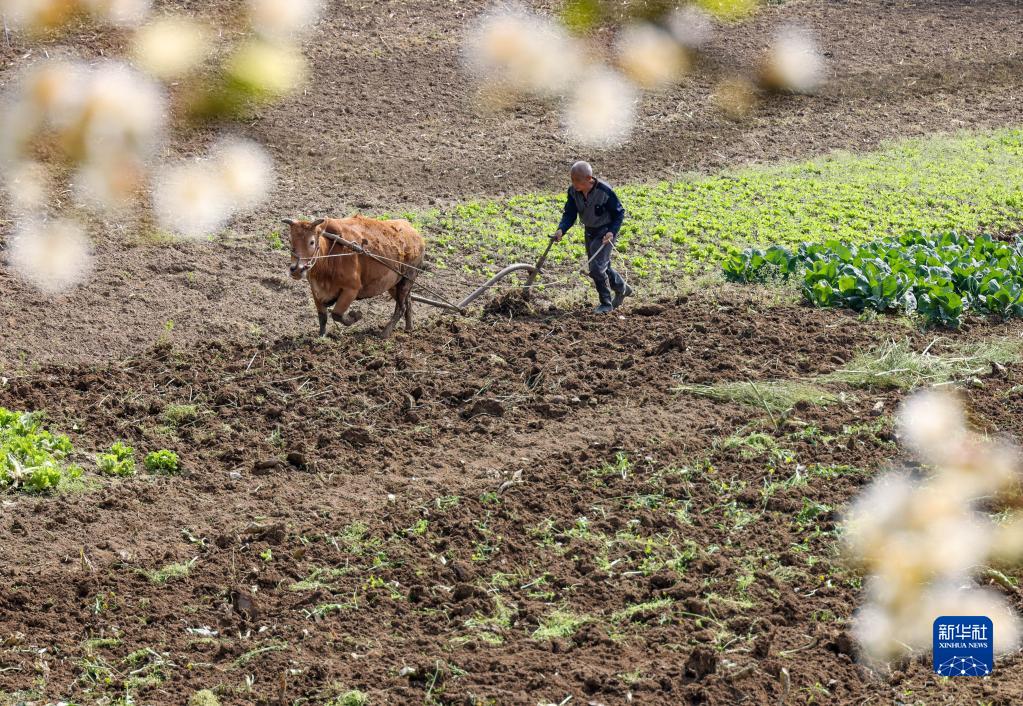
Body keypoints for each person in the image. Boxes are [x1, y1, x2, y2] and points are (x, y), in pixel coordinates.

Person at [552, 161, 633, 313]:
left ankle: (606, 304)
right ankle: (622, 288)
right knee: (601, 266)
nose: (574, 183)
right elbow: (570, 213)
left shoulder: (605, 191)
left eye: (577, 180)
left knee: (596, 268)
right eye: (572, 179)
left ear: (589, 178)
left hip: (605, 232)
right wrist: (561, 229)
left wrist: (612, 232)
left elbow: (619, 213)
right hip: (590, 231)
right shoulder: (573, 192)